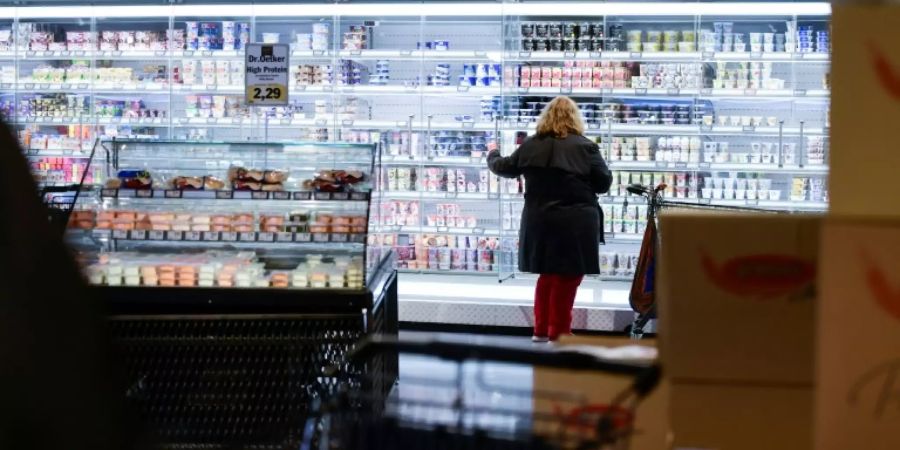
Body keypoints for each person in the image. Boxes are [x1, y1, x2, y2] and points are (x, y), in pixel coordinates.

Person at [487, 96, 612, 342]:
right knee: (569, 276)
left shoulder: (532, 145)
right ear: (575, 118)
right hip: (575, 220)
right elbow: (603, 183)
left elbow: (504, 167)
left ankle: (541, 330)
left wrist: (492, 153)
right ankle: (560, 331)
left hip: (539, 219)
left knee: (547, 274)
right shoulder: (586, 147)